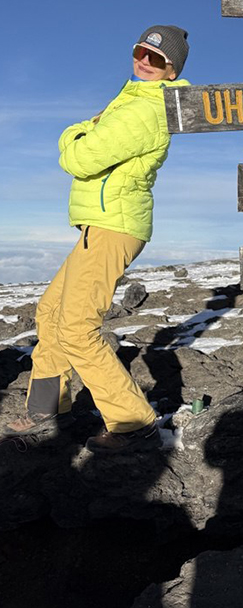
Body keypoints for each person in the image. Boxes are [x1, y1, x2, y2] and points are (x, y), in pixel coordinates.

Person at [4, 26, 191, 454]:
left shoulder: (144, 110)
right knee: (51, 311)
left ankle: (134, 425)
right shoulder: (132, 100)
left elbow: (81, 159)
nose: (145, 60)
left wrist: (73, 132)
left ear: (171, 69)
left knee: (76, 327)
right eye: (141, 50)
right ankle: (47, 406)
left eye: (157, 59)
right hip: (102, 223)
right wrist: (90, 128)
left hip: (114, 225)